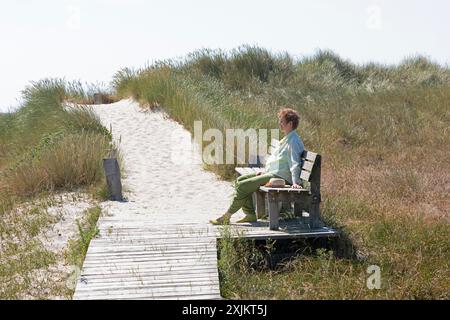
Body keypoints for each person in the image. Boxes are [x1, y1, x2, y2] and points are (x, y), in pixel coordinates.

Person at [210, 108, 304, 225]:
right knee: (239, 180)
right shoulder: (288, 138)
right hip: (273, 173)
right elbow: (278, 161)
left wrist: (296, 182)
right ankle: (249, 214)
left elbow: (295, 163)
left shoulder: (293, 141)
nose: (280, 124)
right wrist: (265, 172)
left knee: (244, 185)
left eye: (282, 122)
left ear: (290, 124)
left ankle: (227, 216)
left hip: (281, 177)